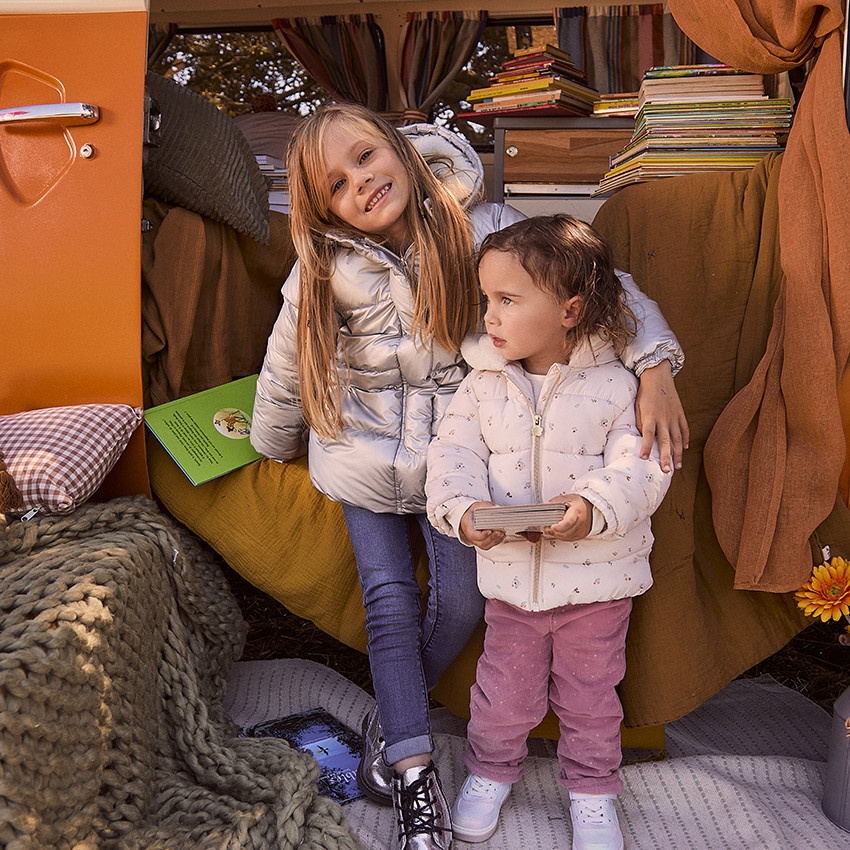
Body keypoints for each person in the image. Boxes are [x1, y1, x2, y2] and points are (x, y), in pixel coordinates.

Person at [249, 104, 684, 850]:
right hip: (358, 457)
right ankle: (415, 770)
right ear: (320, 205)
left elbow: (604, 285)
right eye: (336, 183)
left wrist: (655, 366)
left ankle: (394, 720)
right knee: (388, 601)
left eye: (364, 158)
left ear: (398, 147)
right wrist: (269, 443)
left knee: (461, 602)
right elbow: (286, 363)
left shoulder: (479, 224)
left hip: (451, 453)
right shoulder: (321, 264)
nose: (360, 183)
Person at [425, 214, 673, 850]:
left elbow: (643, 466)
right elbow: (451, 456)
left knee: (591, 700)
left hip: (598, 586)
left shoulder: (618, 386)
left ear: (570, 310)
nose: (491, 316)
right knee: (502, 695)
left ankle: (592, 793)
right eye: (488, 300)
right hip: (511, 584)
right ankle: (488, 773)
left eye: (508, 301)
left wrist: (592, 506)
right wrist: (461, 510)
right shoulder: (482, 385)